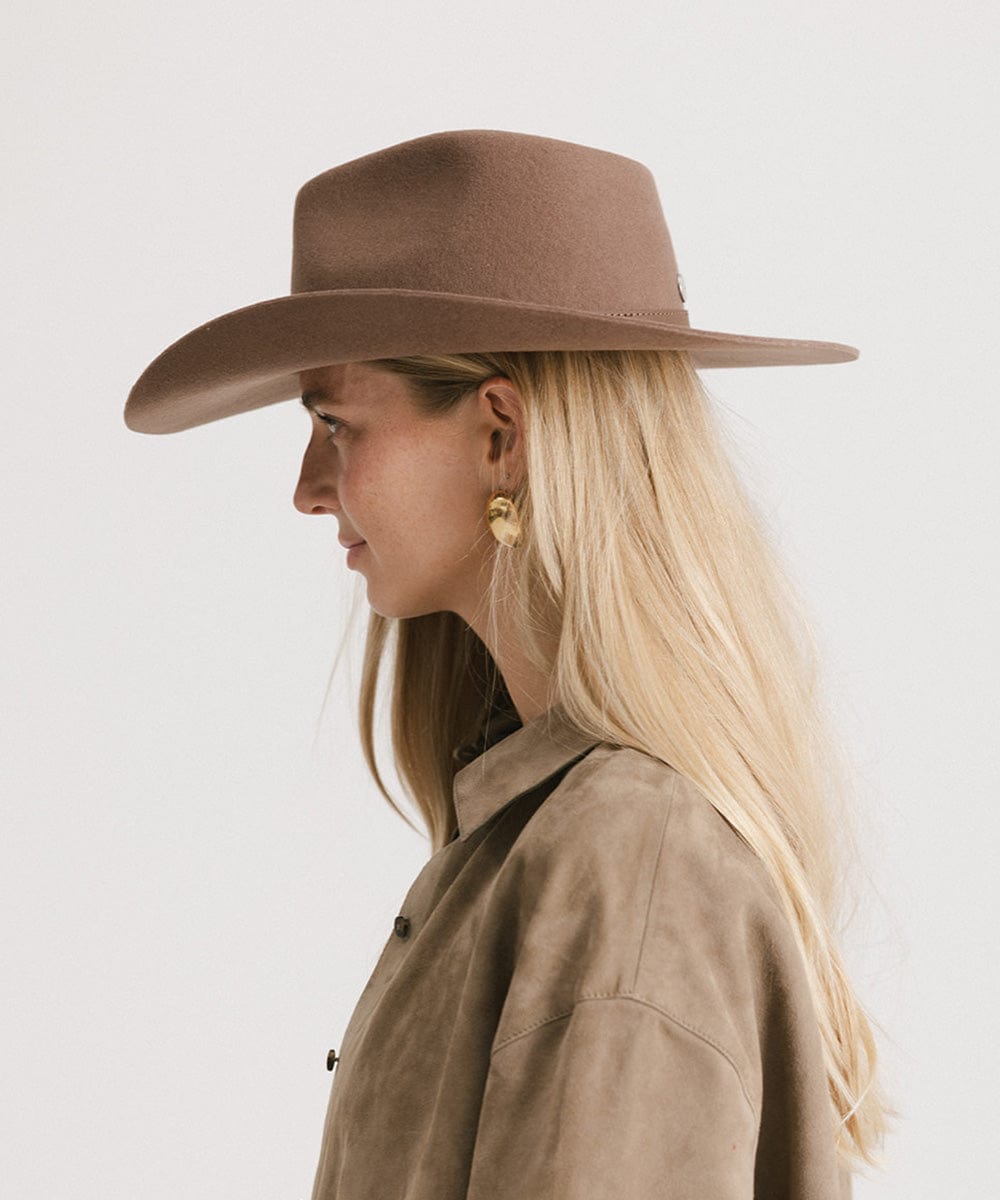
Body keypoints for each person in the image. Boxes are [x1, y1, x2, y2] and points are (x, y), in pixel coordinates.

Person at [125, 129, 896, 1198]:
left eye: (337, 423)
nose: (307, 487)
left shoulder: (630, 860)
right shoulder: (559, 835)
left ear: (500, 434)